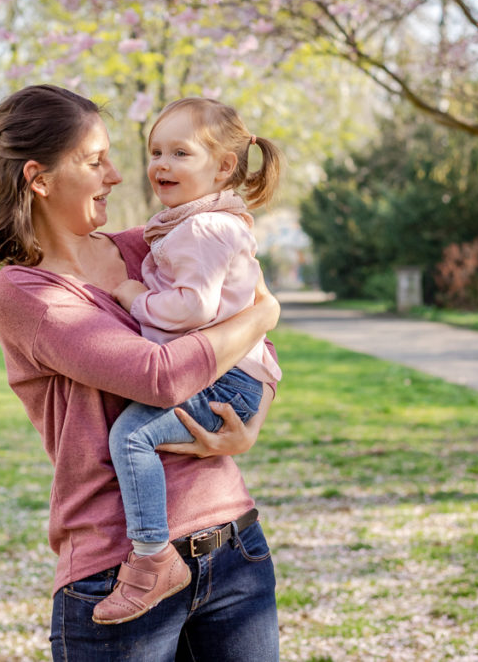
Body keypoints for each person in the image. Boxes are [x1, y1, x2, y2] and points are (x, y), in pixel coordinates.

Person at [0, 84, 280, 661]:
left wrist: (251, 419)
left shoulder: (145, 248)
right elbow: (159, 376)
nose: (115, 175)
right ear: (39, 178)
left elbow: (245, 318)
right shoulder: (26, 293)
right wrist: (266, 312)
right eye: (94, 161)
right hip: (118, 570)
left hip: (232, 550)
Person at [92, 97, 283, 626]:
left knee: (131, 437)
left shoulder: (201, 230)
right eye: (156, 151)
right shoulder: (203, 224)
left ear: (223, 167)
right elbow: (258, 312)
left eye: (181, 152)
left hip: (224, 380)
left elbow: (195, 307)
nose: (162, 164)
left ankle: (153, 558)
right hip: (233, 377)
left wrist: (133, 297)